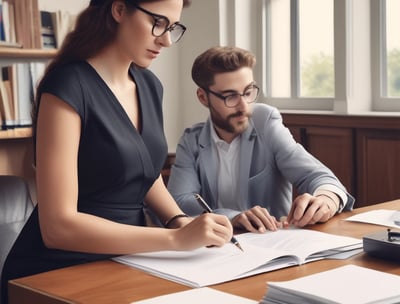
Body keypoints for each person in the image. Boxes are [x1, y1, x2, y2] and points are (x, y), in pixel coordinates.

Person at [1, 2, 233, 303]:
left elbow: (144, 171)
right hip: (53, 270)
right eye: (158, 22)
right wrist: (175, 238)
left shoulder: (149, 85)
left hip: (126, 259)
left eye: (172, 27)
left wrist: (177, 219)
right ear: (120, 9)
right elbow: (57, 226)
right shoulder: (68, 85)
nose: (165, 39)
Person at [167, 46, 355, 234]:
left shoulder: (265, 122)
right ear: (203, 97)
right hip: (216, 248)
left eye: (248, 92)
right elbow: (180, 201)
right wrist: (232, 217)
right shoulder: (191, 140)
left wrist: (327, 199)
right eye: (230, 96)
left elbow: (317, 176)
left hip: (275, 242)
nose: (244, 106)